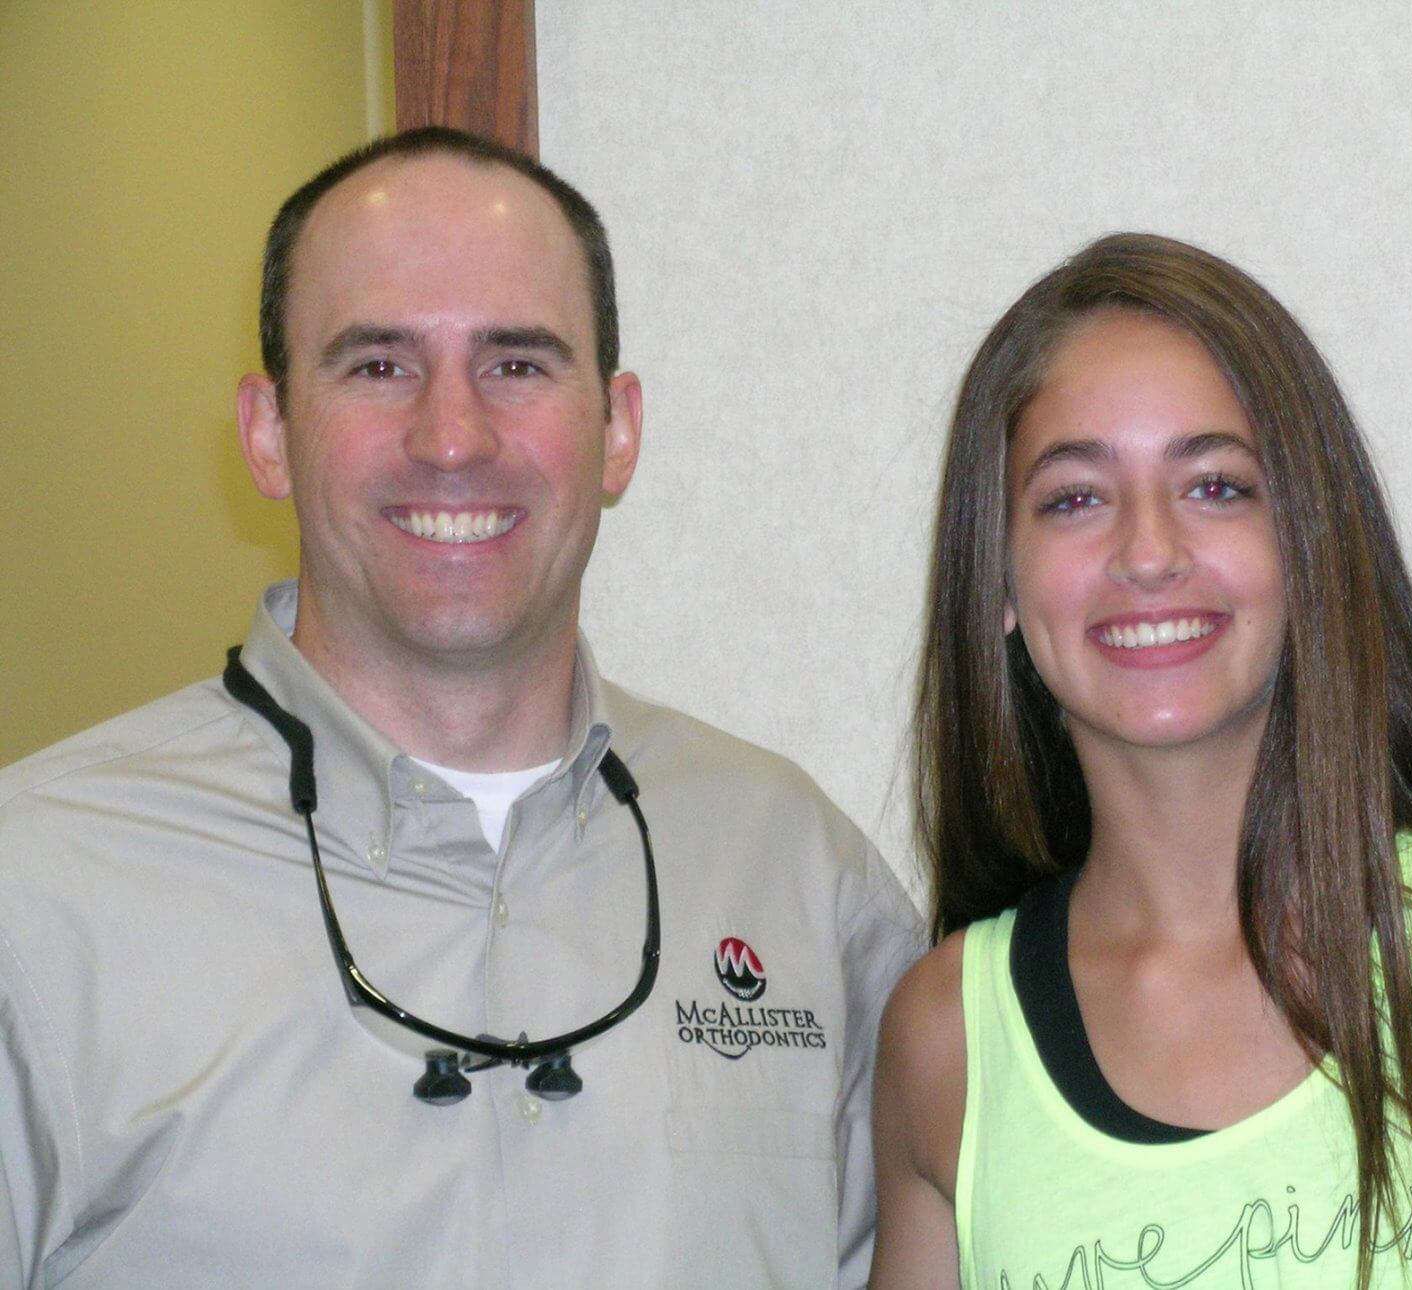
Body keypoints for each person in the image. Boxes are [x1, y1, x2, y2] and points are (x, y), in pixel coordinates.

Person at [0, 126, 921, 1287]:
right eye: (377, 365)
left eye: (518, 364)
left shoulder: (798, 877)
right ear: (269, 432)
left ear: (618, 432)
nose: (451, 437)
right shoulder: (35, 897)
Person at [870, 233, 1412, 1288]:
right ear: (996, 580)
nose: (1148, 553)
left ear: (1311, 540)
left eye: (1217, 486)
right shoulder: (947, 1039)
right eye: (1075, 498)